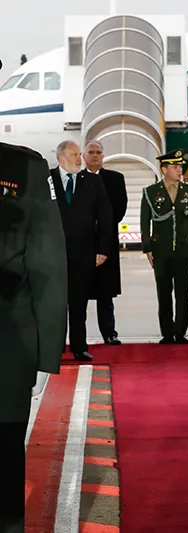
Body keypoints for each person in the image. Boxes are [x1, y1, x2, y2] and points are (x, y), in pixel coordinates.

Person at [0, 141, 68, 533]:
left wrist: (45, 350)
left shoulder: (21, 167)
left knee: (5, 464)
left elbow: (47, 262)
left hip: (7, 343)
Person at [50, 140, 114, 362]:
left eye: (79, 154)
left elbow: (106, 217)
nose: (79, 158)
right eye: (74, 154)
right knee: (55, 304)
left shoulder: (93, 181)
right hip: (52, 254)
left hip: (84, 253)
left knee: (79, 303)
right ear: (60, 158)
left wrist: (103, 249)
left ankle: (79, 347)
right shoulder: (46, 180)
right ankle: (53, 349)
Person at [140, 149, 188, 344]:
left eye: (180, 166)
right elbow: (145, 222)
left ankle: (180, 332)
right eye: (175, 166)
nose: (179, 169)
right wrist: (147, 248)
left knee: (182, 293)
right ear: (164, 169)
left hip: (184, 250)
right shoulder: (151, 192)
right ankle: (167, 333)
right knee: (164, 293)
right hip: (161, 252)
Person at [82, 140, 127, 345]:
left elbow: (119, 209)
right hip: (80, 244)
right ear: (84, 156)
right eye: (91, 152)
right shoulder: (76, 179)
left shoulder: (115, 179)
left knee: (105, 294)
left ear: (103, 155)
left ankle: (109, 333)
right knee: (78, 294)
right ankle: (77, 337)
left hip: (106, 242)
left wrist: (101, 230)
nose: (94, 156)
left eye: (98, 152)